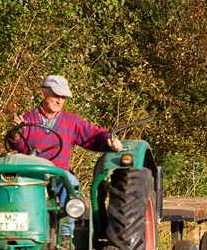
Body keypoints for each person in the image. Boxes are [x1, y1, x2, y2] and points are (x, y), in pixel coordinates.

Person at [7, 75, 123, 237]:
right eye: (56, 96)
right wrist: (16, 133)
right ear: (43, 93)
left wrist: (109, 139)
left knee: (71, 182)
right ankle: (19, 231)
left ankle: (66, 233)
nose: (59, 101)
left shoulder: (71, 121)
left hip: (58, 172)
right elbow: (15, 144)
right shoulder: (27, 120)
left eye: (63, 97)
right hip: (31, 172)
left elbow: (94, 135)